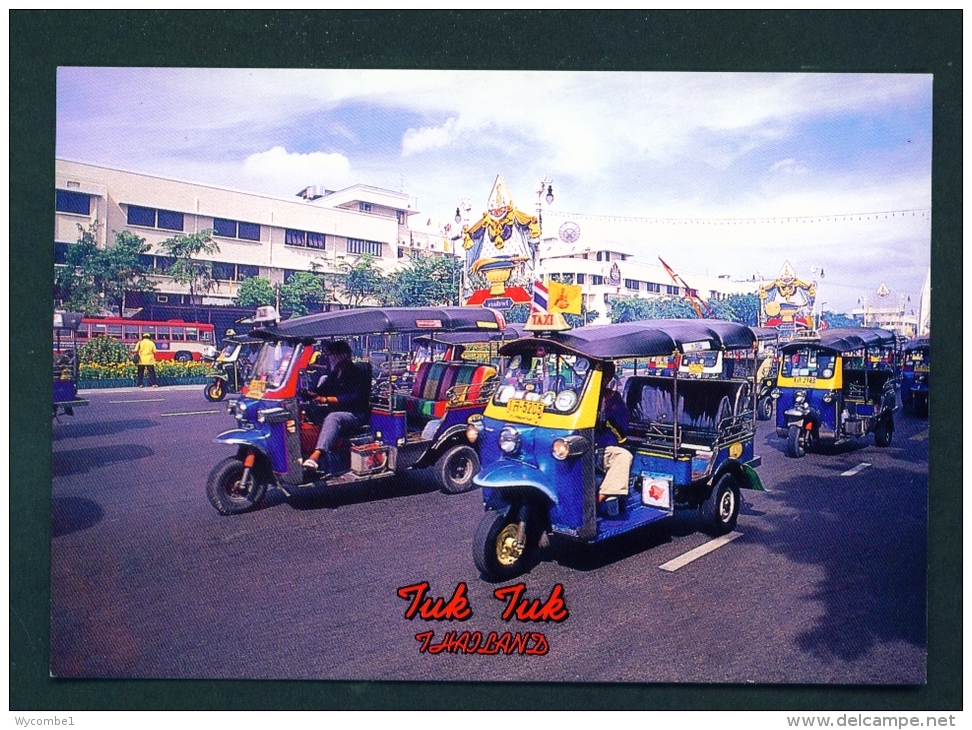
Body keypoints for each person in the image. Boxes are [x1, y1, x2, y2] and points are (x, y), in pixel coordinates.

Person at [300, 341, 371, 473]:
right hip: (338, 409)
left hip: (355, 414)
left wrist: (327, 399)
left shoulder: (358, 371)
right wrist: (310, 394)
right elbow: (323, 390)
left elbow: (355, 397)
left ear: (342, 355)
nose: (329, 358)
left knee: (333, 418)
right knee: (306, 409)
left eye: (331, 354)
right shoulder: (335, 373)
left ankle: (316, 456)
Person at [595, 362, 632, 503]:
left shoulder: (613, 398)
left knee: (624, 456)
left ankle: (602, 495)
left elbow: (622, 429)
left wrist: (606, 421)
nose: (603, 379)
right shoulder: (576, 395)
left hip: (603, 449)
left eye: (605, 376)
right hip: (578, 446)